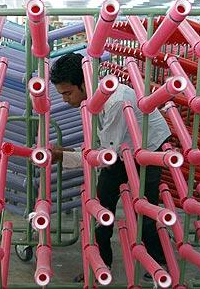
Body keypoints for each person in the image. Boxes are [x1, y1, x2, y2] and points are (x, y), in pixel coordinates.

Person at [50, 53, 170, 279]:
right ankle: (101, 265)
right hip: (119, 151)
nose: (65, 100)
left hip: (147, 150)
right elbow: (100, 148)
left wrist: (65, 155)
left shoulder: (115, 101)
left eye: (67, 93)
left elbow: (106, 155)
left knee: (144, 210)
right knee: (101, 209)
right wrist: (63, 155)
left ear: (84, 83)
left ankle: (160, 263)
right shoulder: (95, 101)